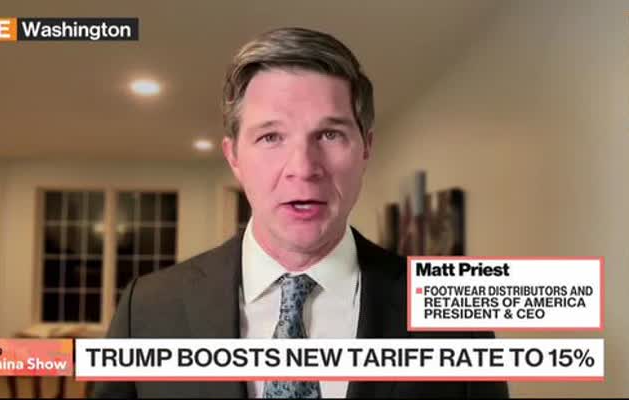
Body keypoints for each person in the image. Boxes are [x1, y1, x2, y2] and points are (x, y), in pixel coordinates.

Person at [92, 27, 509, 399]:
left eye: (329, 134)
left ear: (365, 147)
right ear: (234, 156)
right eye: (271, 136)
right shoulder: (146, 309)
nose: (304, 168)